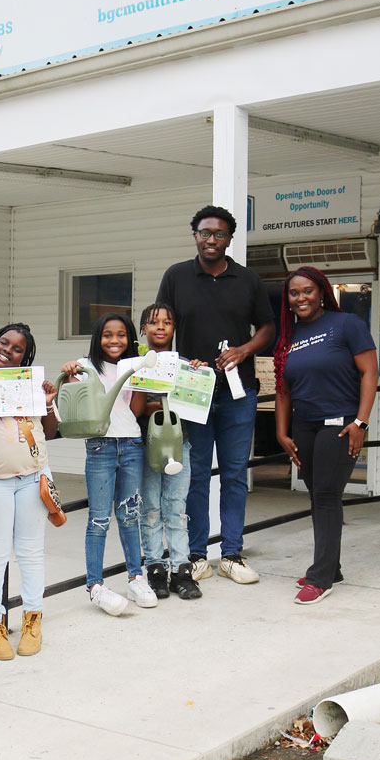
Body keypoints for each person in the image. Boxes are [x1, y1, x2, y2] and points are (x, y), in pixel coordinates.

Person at [158, 205, 274, 584]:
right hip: (193, 394)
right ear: (195, 235)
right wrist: (174, 365)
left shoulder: (248, 279)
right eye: (204, 233)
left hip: (238, 393)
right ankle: (195, 554)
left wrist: (243, 350)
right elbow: (162, 328)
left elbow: (268, 327)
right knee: (194, 474)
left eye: (219, 234)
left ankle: (232, 553)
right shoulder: (176, 276)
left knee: (235, 473)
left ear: (230, 238)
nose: (211, 240)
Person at [274, 266, 377, 605]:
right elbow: (284, 390)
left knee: (328, 495)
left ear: (321, 292)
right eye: (294, 292)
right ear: (287, 299)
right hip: (305, 426)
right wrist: (281, 432)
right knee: (316, 496)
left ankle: (321, 578)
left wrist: (360, 423)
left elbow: (369, 372)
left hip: (340, 423)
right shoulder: (291, 335)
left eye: (307, 290)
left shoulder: (347, 324)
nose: (300, 297)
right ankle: (331, 567)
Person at [0, 323, 58, 660]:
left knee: (31, 553)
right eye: (3, 342)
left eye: (17, 348)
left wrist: (47, 402)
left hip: (32, 479)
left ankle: (33, 618)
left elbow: (50, 430)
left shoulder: (31, 386)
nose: (8, 350)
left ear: (25, 357)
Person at [62, 312, 158, 616]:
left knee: (131, 515)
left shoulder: (132, 365)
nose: (113, 340)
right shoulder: (87, 365)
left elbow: (137, 409)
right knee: (99, 519)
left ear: (130, 338)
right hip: (101, 447)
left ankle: (135, 578)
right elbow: (71, 394)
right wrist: (68, 373)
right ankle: (95, 586)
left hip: (131, 444)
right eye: (107, 334)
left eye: (120, 334)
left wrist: (140, 376)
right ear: (97, 338)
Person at [138, 302, 203, 601]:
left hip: (180, 443)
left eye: (167, 322)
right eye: (154, 322)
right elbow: (131, 405)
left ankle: (181, 569)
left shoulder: (185, 364)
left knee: (177, 509)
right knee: (150, 509)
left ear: (174, 329)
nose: (161, 326)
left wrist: (197, 379)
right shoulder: (134, 363)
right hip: (145, 443)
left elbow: (193, 402)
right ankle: (154, 567)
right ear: (143, 330)